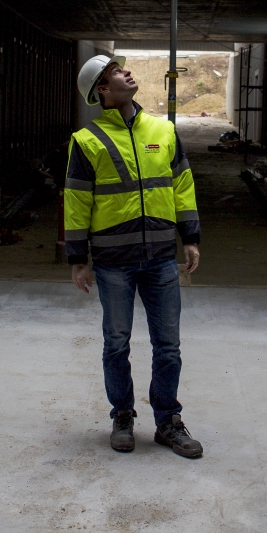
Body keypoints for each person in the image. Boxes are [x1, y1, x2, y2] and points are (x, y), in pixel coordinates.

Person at [64, 54, 203, 458]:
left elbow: (182, 186)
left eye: (123, 69)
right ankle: (122, 415)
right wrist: (77, 258)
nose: (126, 73)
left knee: (168, 346)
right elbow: (76, 201)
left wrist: (190, 237)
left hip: (160, 256)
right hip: (113, 262)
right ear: (102, 91)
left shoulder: (163, 129)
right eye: (115, 73)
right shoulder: (86, 141)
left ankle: (168, 422)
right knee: (116, 344)